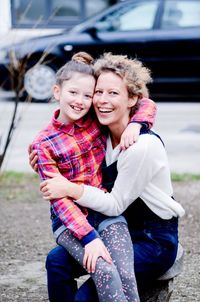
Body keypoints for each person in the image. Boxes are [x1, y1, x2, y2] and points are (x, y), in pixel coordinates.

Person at [36, 53, 185, 302]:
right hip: (113, 227)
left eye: (113, 93)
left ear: (132, 99)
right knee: (56, 261)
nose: (102, 101)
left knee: (89, 295)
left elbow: (115, 204)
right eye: (99, 92)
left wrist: (69, 188)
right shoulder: (100, 130)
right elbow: (69, 105)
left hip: (152, 241)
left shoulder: (142, 146)